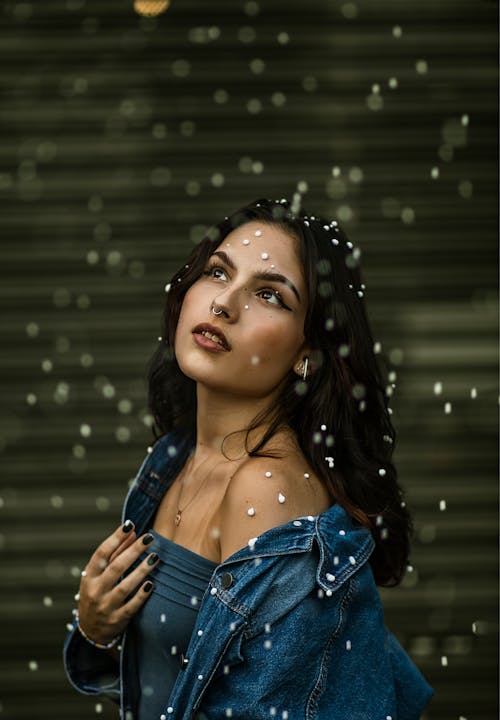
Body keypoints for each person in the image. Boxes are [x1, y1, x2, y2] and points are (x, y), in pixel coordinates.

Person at [63, 197, 434, 719]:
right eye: (217, 272)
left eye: (269, 294)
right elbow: (171, 681)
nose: (224, 304)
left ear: (308, 353)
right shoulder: (175, 458)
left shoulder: (265, 487)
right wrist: (97, 632)